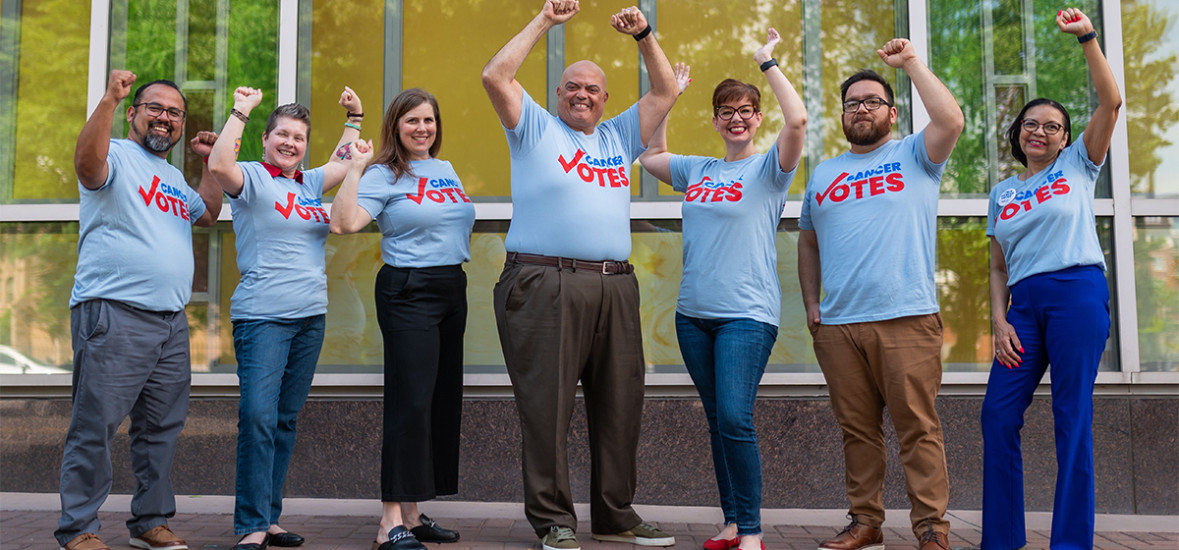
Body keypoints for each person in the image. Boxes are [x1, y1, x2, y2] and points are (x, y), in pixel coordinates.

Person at [480, 2, 679, 550]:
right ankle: (553, 522)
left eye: (592, 88)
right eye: (572, 86)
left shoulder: (619, 136)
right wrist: (545, 21)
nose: (582, 94)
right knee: (547, 408)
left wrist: (644, 34)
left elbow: (665, 90)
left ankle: (615, 516)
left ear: (605, 99)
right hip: (544, 282)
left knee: (620, 405)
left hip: (615, 284)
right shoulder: (534, 127)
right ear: (559, 93)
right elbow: (495, 75)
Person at [637, 28, 805, 550]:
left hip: (746, 317)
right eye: (726, 111)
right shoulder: (699, 170)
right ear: (714, 121)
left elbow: (797, 121)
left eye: (745, 111)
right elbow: (651, 155)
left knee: (735, 417)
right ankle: (732, 522)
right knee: (717, 422)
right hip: (693, 316)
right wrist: (669, 97)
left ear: (757, 118)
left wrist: (767, 62)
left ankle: (751, 530)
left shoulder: (770, 169)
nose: (736, 118)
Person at [797, 39, 965, 550]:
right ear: (842, 115)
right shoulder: (823, 173)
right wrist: (811, 304)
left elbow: (951, 120)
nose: (861, 109)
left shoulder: (915, 154)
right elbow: (808, 241)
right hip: (838, 325)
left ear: (892, 113)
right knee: (857, 431)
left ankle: (931, 528)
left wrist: (910, 62)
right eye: (852, 103)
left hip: (906, 317)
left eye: (873, 101)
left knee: (918, 429)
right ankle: (865, 523)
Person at [55, 70, 222, 550]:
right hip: (114, 314)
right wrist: (109, 98)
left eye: (175, 112)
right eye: (155, 108)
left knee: (160, 430)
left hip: (170, 323)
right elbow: (86, 165)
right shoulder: (114, 156)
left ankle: (150, 521)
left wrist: (209, 163)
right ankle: (78, 528)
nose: (165, 117)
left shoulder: (173, 178)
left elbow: (208, 214)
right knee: (95, 426)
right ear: (133, 113)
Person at [980, 8, 1121, 550]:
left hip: (1076, 295)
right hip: (1022, 309)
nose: (1039, 131)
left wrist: (1087, 37)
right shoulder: (1002, 193)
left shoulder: (1078, 165)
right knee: (997, 415)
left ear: (1065, 139)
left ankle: (1070, 543)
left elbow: (1111, 101)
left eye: (1052, 126)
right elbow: (998, 266)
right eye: (1030, 124)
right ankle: (1002, 539)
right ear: (1018, 133)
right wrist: (999, 321)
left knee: (1071, 418)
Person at [205, 85, 364, 550]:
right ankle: (252, 523)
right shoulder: (252, 178)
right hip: (262, 319)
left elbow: (343, 162)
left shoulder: (309, 183)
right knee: (258, 417)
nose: (290, 143)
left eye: (299, 137)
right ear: (266, 139)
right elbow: (218, 165)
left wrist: (354, 119)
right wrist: (241, 110)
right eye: (282, 135)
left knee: (284, 420)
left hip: (310, 317)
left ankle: (270, 518)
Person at [329, 88, 472, 550]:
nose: (422, 128)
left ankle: (412, 513)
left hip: (451, 286)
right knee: (408, 402)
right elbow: (343, 223)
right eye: (412, 120)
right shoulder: (383, 173)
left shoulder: (445, 169)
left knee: (435, 401)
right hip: (409, 290)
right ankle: (388, 521)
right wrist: (355, 168)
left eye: (429, 120)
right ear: (395, 126)